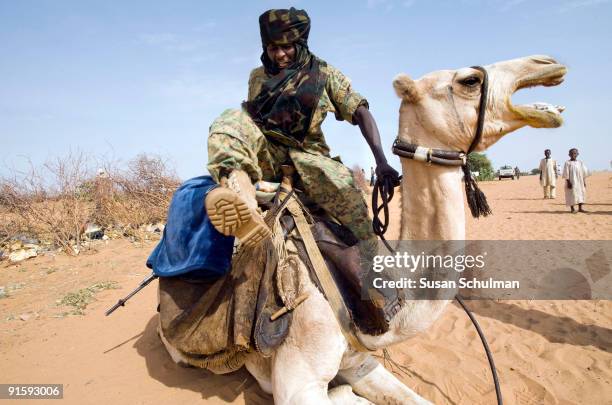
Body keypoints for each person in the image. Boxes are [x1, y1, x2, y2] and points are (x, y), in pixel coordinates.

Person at [205, 7, 399, 247]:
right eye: (273, 48)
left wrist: (381, 161)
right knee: (228, 120)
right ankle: (242, 198)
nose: (280, 54)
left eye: (286, 47)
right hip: (268, 155)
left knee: (354, 210)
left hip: (310, 159)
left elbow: (360, 112)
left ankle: (375, 267)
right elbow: (253, 121)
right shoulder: (257, 77)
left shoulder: (324, 74)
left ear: (299, 44)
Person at [562, 148, 589, 213]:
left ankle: (580, 208)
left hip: (580, 181)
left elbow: (583, 172)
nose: (573, 154)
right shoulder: (567, 163)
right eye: (572, 153)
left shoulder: (580, 162)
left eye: (575, 153)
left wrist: (584, 181)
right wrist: (568, 182)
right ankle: (572, 209)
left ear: (577, 154)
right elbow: (566, 173)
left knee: (580, 193)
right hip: (572, 181)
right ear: (569, 155)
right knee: (572, 194)